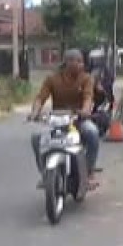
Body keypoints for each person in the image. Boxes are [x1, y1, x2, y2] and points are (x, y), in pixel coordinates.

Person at [28, 49, 101, 188]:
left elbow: (88, 97)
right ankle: (45, 173)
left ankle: (89, 172)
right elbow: (40, 97)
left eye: (81, 61)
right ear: (67, 62)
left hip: (79, 120)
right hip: (56, 122)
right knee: (36, 138)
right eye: (77, 61)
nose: (81, 65)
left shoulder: (86, 78)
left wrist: (85, 110)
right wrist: (35, 112)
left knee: (92, 133)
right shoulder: (52, 79)